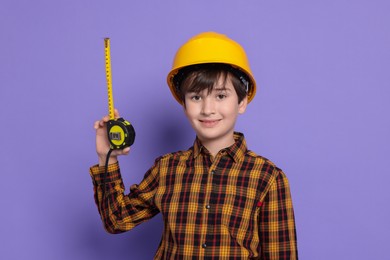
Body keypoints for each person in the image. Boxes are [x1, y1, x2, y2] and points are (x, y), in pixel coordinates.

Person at [90, 32, 298, 259]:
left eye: (220, 96)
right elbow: (116, 220)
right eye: (196, 97)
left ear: (242, 102)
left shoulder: (267, 177)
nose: (208, 109)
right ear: (184, 104)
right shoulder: (167, 169)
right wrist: (107, 157)